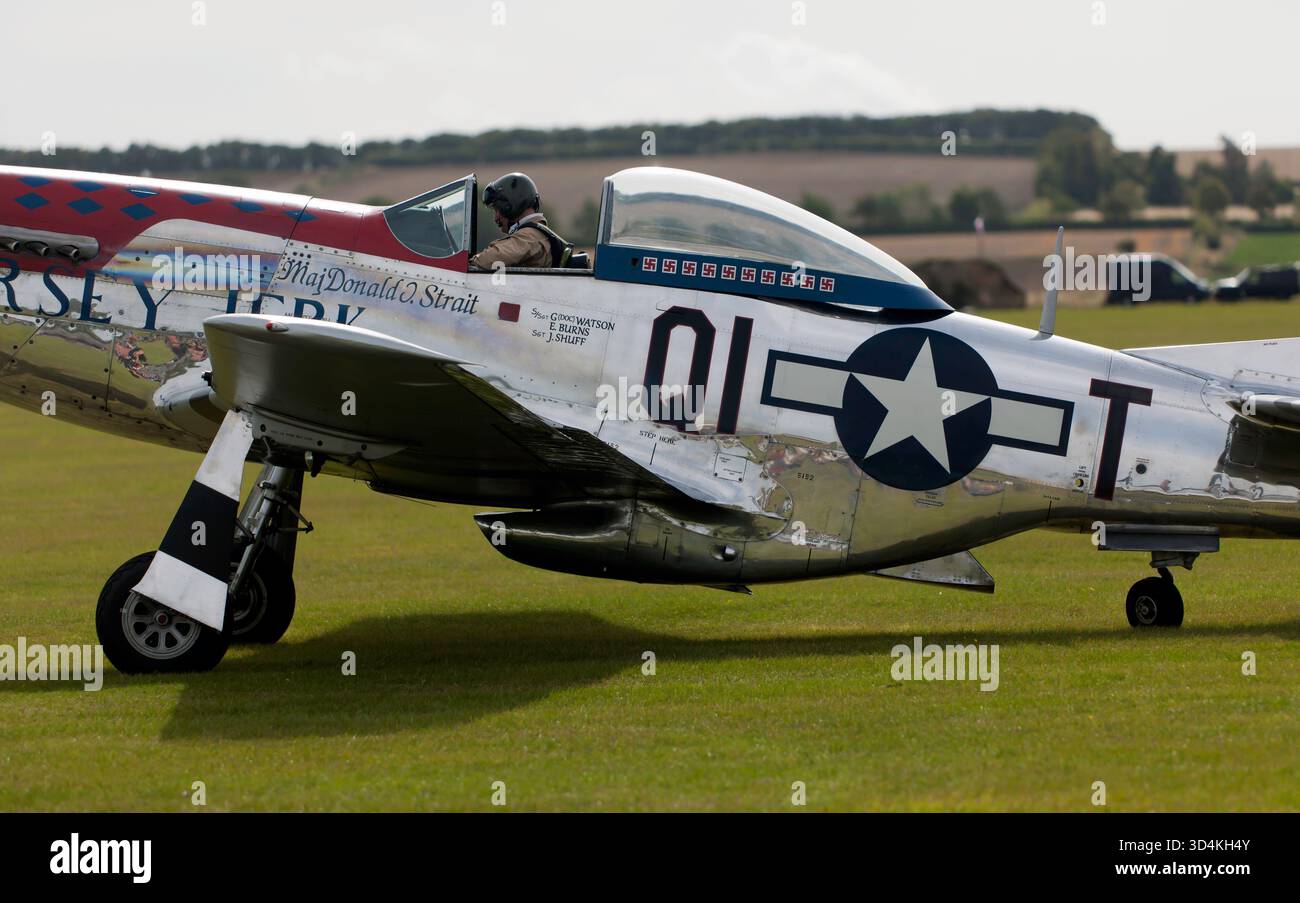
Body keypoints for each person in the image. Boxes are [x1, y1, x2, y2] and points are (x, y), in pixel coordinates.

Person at [469, 172, 570, 269]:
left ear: (510, 205)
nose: (496, 217)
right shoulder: (535, 234)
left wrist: (469, 262)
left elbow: (487, 260)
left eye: (497, 210)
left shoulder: (530, 236)